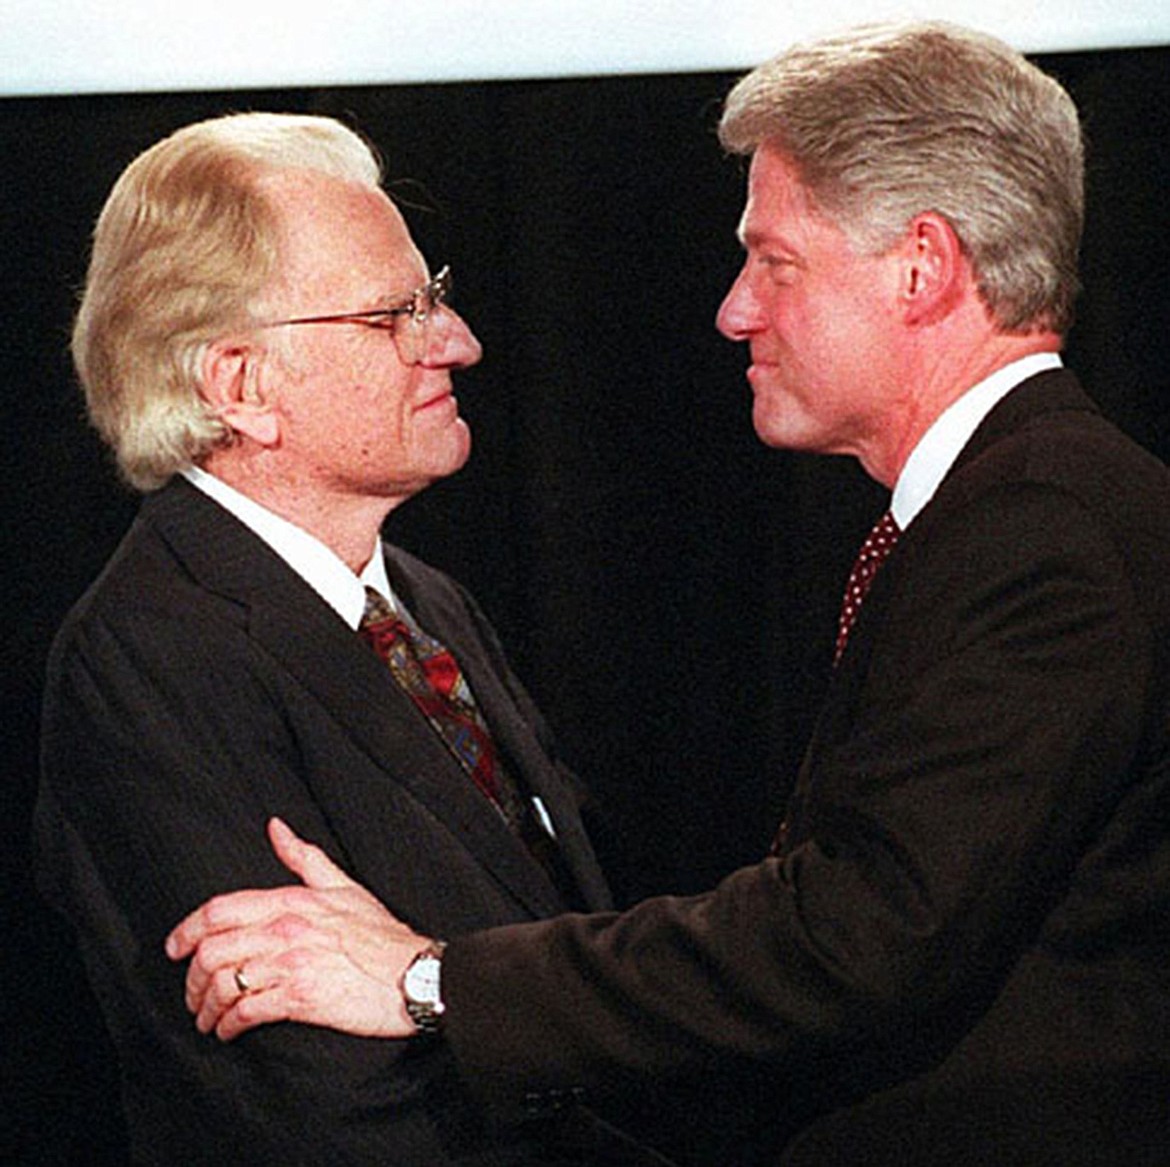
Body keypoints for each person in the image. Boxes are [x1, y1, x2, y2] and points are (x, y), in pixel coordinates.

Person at [165, 23, 1170, 1167]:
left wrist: (425, 980)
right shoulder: (1012, 510)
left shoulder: (1045, 531)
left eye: (774, 262)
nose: (735, 311)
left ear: (923, 266)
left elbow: (856, 937)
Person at [34, 112, 663, 1166]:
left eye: (439, 295)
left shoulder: (425, 602)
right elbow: (324, 1100)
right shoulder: (153, 655)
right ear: (239, 386)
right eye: (394, 315)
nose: (455, 340)